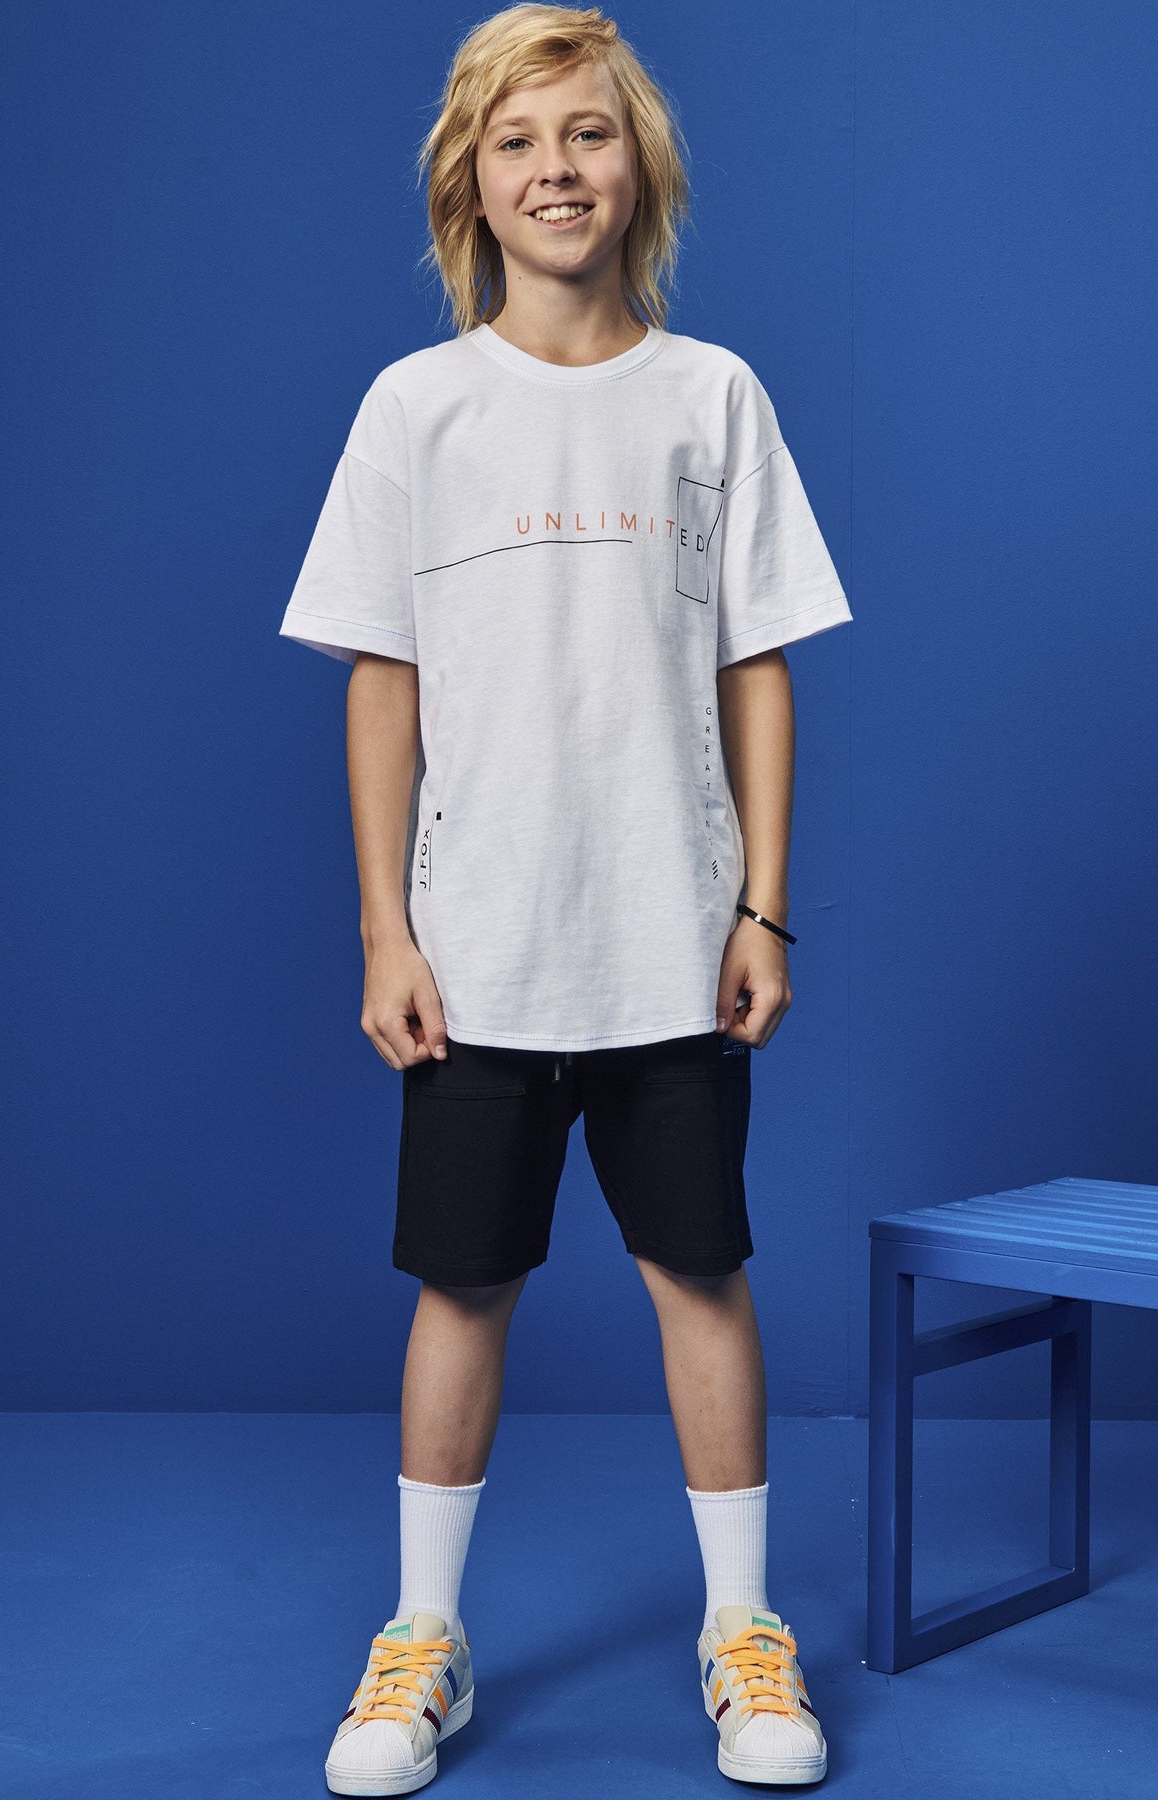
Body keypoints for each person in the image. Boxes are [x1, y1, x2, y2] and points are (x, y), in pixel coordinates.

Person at [279, 5, 851, 1791]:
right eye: (519, 142)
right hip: (482, 949)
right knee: (462, 1289)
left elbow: (757, 663)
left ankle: (742, 1635)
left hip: (671, 945)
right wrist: (387, 927)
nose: (557, 170)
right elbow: (382, 680)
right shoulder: (418, 408)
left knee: (702, 1270)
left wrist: (762, 907)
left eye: (588, 134)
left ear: (638, 165)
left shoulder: (713, 397)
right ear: (472, 181)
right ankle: (422, 1642)